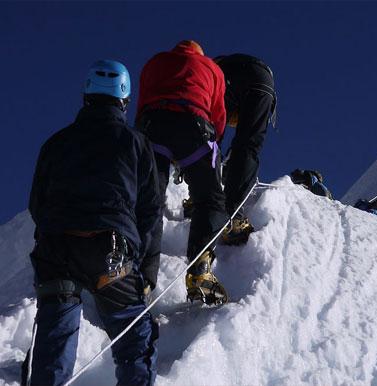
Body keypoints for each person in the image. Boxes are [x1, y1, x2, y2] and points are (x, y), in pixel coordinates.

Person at [22, 60, 160, 386]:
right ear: (124, 100)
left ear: (87, 95)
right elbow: (149, 210)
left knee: (53, 343)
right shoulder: (136, 143)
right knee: (134, 335)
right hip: (109, 249)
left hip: (56, 249)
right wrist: (141, 266)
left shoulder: (56, 143)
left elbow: (37, 202)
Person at [136, 40, 229, 305]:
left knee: (149, 200)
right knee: (209, 199)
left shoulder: (154, 62)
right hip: (194, 126)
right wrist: (213, 146)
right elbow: (218, 114)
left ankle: (141, 276)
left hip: (152, 127)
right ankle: (200, 271)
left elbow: (142, 103)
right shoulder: (211, 68)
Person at [213, 54, 276, 245]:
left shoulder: (217, 70)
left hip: (230, 79)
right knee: (248, 146)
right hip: (266, 85)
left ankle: (216, 204)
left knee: (210, 139)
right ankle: (234, 215)